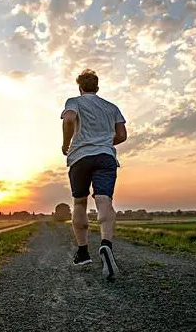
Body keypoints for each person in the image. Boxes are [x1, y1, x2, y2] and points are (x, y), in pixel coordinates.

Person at [60, 69, 127, 280]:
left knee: (80, 203)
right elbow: (122, 135)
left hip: (80, 157)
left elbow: (69, 120)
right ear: (97, 88)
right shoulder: (111, 107)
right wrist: (105, 142)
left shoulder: (74, 101)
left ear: (80, 87)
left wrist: (66, 144)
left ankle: (83, 252)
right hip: (105, 156)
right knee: (104, 199)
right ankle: (106, 244)